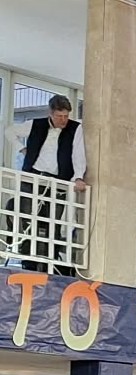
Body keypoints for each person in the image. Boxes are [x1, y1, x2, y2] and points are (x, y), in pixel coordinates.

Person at [5, 94, 87, 274]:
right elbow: (9, 131)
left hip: (58, 181)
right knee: (28, 220)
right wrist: (22, 149)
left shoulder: (75, 128)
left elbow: (78, 154)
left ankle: (50, 264)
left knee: (53, 222)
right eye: (59, 116)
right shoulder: (35, 124)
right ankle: (28, 262)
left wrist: (78, 176)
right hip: (33, 177)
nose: (63, 120)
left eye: (66, 116)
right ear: (50, 113)